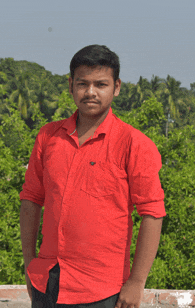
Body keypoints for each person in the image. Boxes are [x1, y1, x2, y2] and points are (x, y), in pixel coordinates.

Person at [20, 44, 166, 308]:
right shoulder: (48, 137)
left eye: (100, 84)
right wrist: (29, 263)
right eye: (82, 83)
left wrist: (136, 282)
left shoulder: (134, 144)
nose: (90, 92)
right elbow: (31, 200)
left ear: (116, 87)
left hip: (102, 289)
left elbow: (152, 213)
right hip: (46, 281)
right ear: (70, 86)